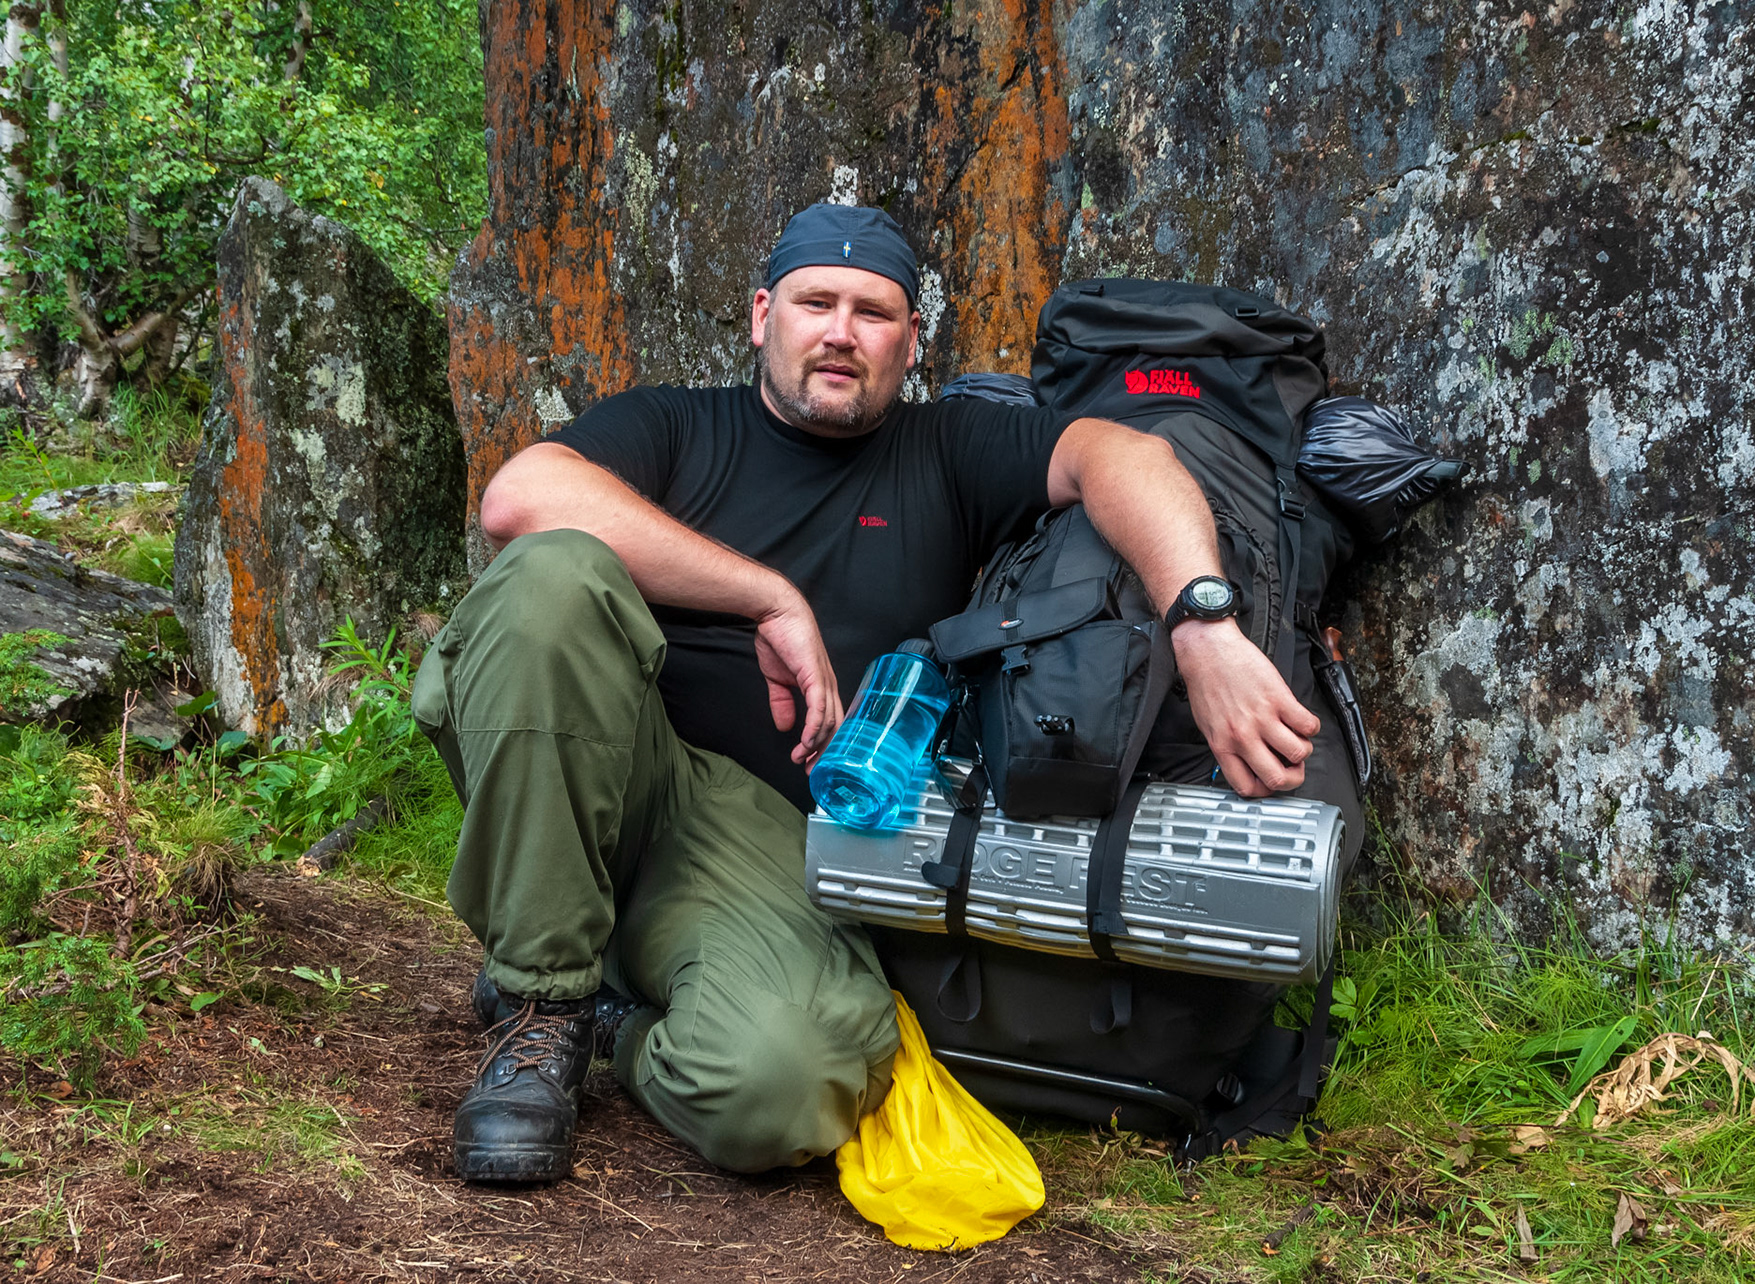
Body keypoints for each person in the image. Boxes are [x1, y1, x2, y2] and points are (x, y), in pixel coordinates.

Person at [412, 203, 1322, 1183]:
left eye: (873, 312)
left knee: (782, 1083)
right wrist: (767, 597)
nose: (841, 332)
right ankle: (540, 1004)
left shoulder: (952, 451)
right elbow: (519, 500)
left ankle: (611, 1020)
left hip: (766, 852)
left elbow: (1128, 458)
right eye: (816, 303)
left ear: (912, 340)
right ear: (763, 315)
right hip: (620, 771)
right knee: (550, 580)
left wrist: (1201, 622)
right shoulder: (674, 425)